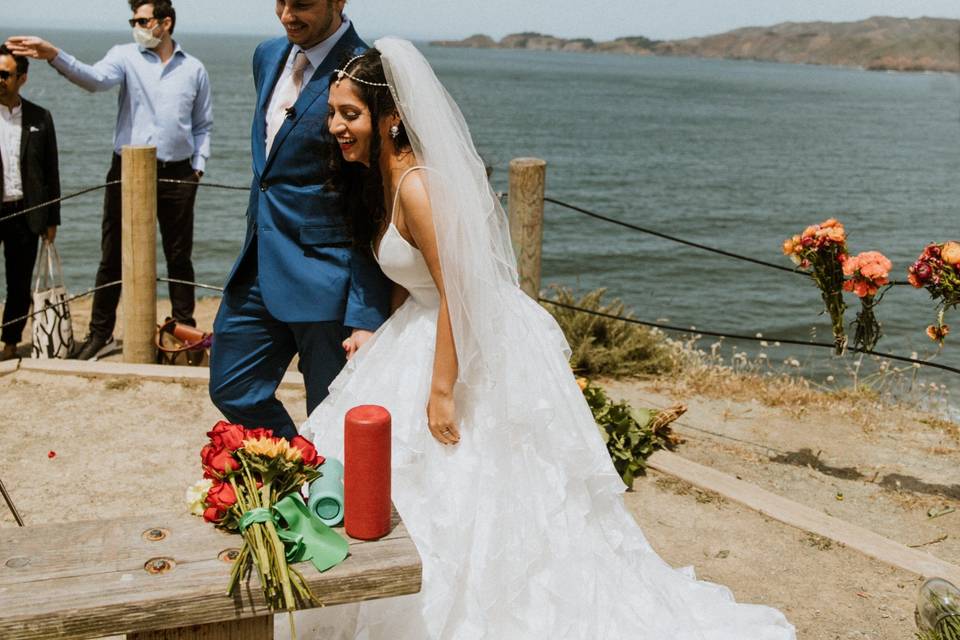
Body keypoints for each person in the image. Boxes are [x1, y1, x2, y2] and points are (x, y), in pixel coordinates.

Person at [294, 39, 797, 639]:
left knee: (483, 486)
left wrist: (442, 388)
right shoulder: (387, 179)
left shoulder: (419, 188)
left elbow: (458, 289)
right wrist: (383, 337)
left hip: (464, 336)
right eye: (332, 113)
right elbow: (416, 284)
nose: (335, 127)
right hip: (427, 329)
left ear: (391, 118)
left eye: (349, 114)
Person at [207, 0, 391, 441]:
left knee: (332, 412)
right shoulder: (267, 55)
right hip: (257, 263)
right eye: (281, 1)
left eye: (303, 3)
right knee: (232, 385)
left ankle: (329, 501)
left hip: (328, 277)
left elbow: (372, 199)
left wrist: (365, 312)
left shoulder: (366, 70)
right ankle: (296, 467)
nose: (288, 14)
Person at [6, 0, 213, 361]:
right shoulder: (125, 56)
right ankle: (99, 334)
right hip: (128, 170)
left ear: (165, 23)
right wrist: (53, 54)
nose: (135, 25)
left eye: (142, 19)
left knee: (179, 257)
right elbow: (94, 79)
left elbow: (202, 125)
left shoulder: (194, 69)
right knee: (111, 256)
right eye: (133, 19)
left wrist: (198, 167)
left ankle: (184, 334)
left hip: (179, 174)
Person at [0, 44, 60, 361]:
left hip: (25, 213)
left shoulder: (40, 117)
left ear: (21, 77)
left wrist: (52, 219)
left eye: (4, 74)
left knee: (19, 285)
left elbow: (51, 171)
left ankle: (10, 343)